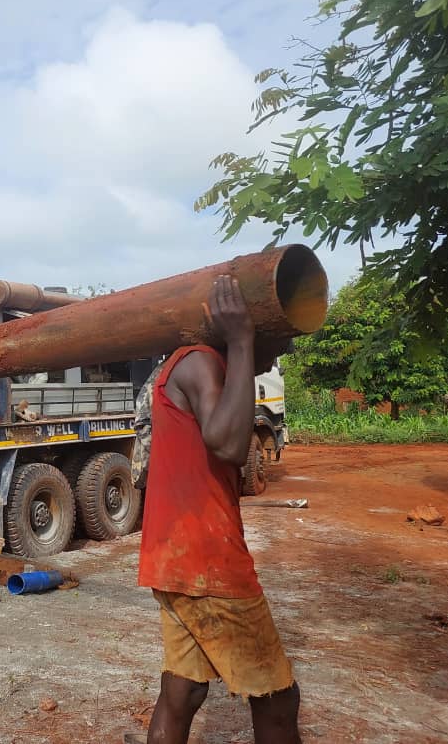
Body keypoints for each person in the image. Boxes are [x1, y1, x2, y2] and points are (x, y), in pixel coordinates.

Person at [132, 276, 300, 744]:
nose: (276, 353)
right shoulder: (201, 363)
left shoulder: (189, 366)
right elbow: (227, 443)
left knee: (182, 692)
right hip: (206, 562)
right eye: (277, 339)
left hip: (175, 558)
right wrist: (242, 341)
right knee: (278, 701)